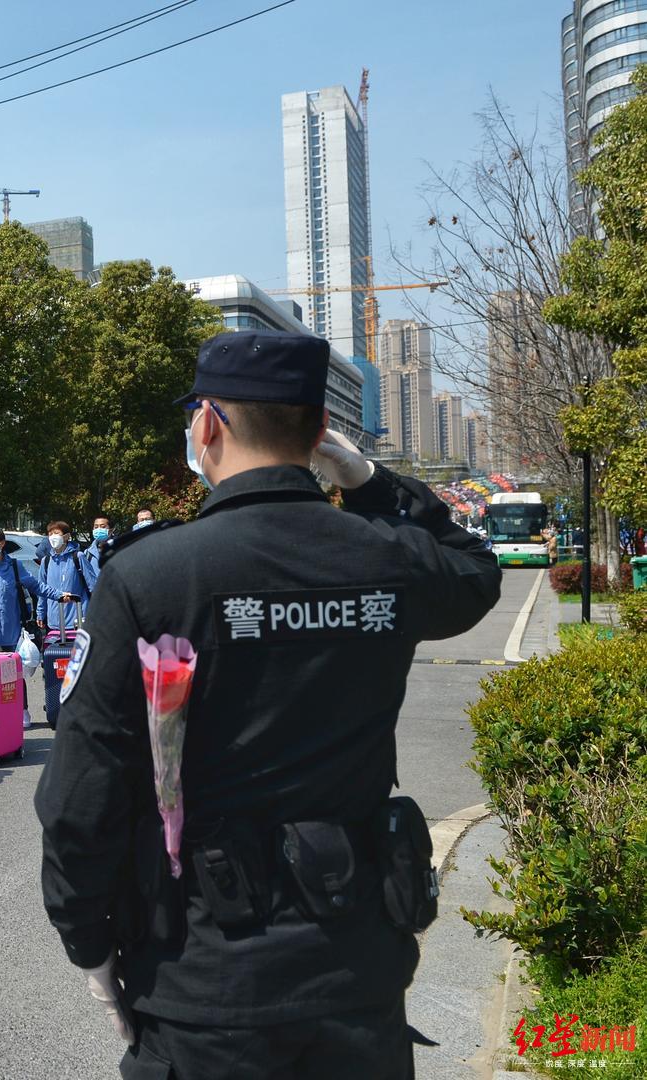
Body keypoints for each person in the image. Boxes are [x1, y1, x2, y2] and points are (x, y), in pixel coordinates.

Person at [35, 330, 502, 1078]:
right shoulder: (383, 555)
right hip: (355, 955)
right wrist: (372, 482)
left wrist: (85, 938)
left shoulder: (153, 575)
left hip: (203, 970)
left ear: (207, 425)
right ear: (321, 433)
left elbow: (84, 788)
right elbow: (474, 572)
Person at [0, 527, 71, 729]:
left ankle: (21, 711)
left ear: (1, 544)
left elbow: (36, 586)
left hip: (12, 631)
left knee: (14, 676)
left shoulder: (15, 566)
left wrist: (59, 595)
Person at [37, 520, 90, 631]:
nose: (52, 537)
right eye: (50, 534)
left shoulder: (78, 557)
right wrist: (40, 613)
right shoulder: (46, 561)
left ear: (66, 536)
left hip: (78, 620)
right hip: (54, 622)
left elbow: (92, 586)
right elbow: (42, 590)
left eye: (56, 533)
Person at [81, 515, 113, 594]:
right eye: (96, 527)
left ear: (111, 530)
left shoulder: (119, 549)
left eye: (102, 527)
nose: (99, 529)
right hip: (95, 597)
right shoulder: (87, 553)